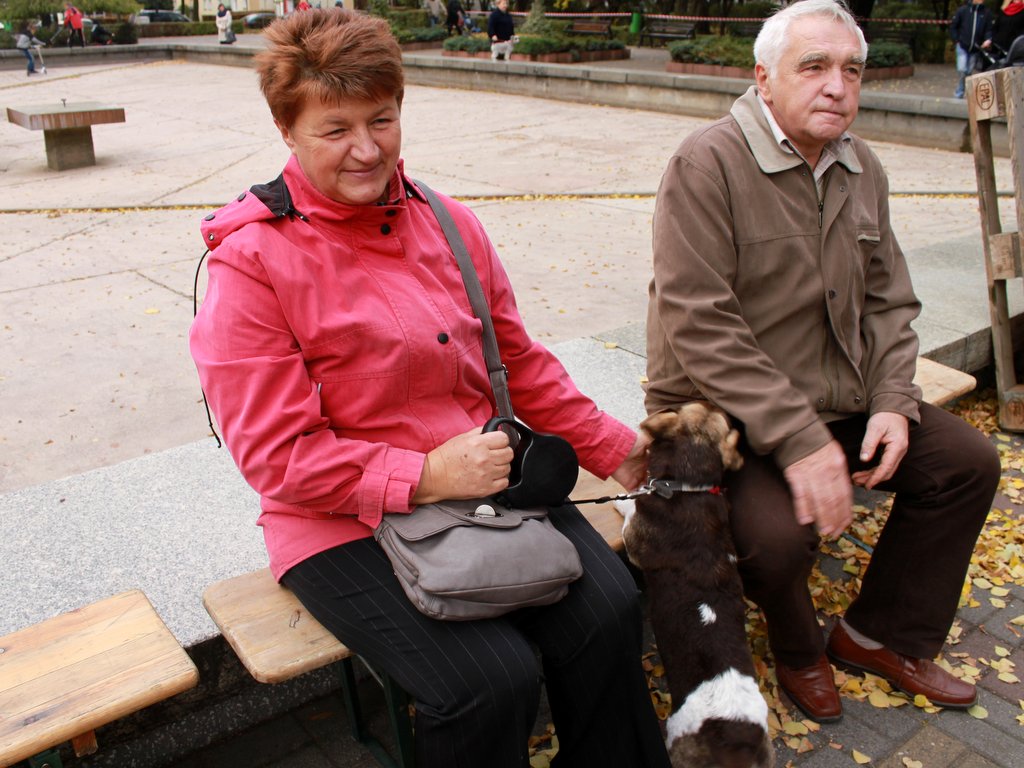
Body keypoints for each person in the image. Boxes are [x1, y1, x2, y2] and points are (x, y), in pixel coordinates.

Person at [190, 9, 672, 767]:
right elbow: (276, 457)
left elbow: (517, 363)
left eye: (382, 119)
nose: (367, 149)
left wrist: (616, 448)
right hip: (337, 518)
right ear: (287, 131)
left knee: (610, 611)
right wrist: (425, 475)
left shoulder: (449, 223)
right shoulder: (250, 262)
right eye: (335, 129)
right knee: (487, 680)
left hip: (481, 480)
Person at [645, 0, 999, 726]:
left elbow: (889, 301)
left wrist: (894, 400)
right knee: (776, 542)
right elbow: (700, 325)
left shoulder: (860, 164)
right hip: (724, 412)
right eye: (814, 67)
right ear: (763, 78)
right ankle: (799, 647)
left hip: (837, 397)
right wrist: (802, 440)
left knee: (966, 464)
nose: (837, 86)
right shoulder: (706, 162)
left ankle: (878, 636)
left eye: (852, 70)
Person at [950, 0, 994, 97]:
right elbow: (954, 26)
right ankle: (960, 91)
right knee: (962, 69)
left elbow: (988, 29)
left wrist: (988, 39)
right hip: (962, 46)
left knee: (968, 72)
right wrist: (957, 40)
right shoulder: (963, 11)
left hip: (975, 48)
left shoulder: (986, 13)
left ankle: (963, 90)